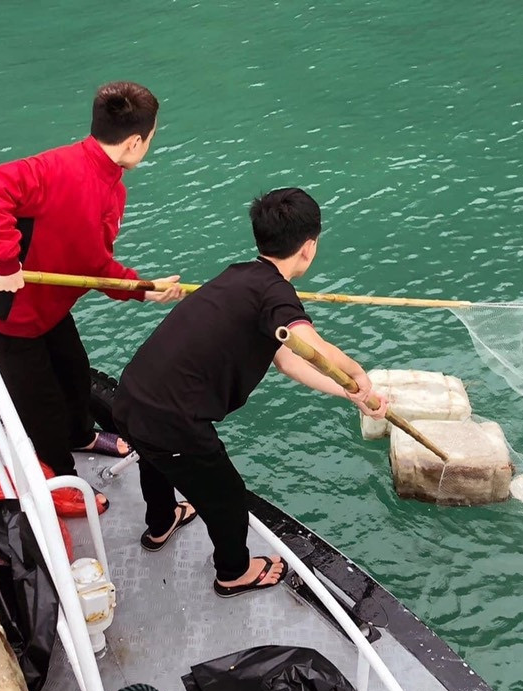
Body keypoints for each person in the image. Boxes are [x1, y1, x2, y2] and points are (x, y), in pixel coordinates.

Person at [112, 188, 389, 597]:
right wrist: (359, 377)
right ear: (309, 248)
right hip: (172, 421)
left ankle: (162, 522)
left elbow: (287, 358)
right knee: (226, 498)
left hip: (132, 395)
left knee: (154, 462)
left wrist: (344, 392)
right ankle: (233, 573)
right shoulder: (277, 294)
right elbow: (306, 343)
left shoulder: (238, 275)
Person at [0, 81, 182, 508]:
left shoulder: (112, 187)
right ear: (136, 140)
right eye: (152, 137)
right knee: (40, 406)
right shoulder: (53, 170)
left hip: (51, 307)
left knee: (75, 373)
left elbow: (93, 265)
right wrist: (6, 261)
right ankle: (62, 486)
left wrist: (141, 289)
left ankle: (81, 435)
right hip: (11, 316)